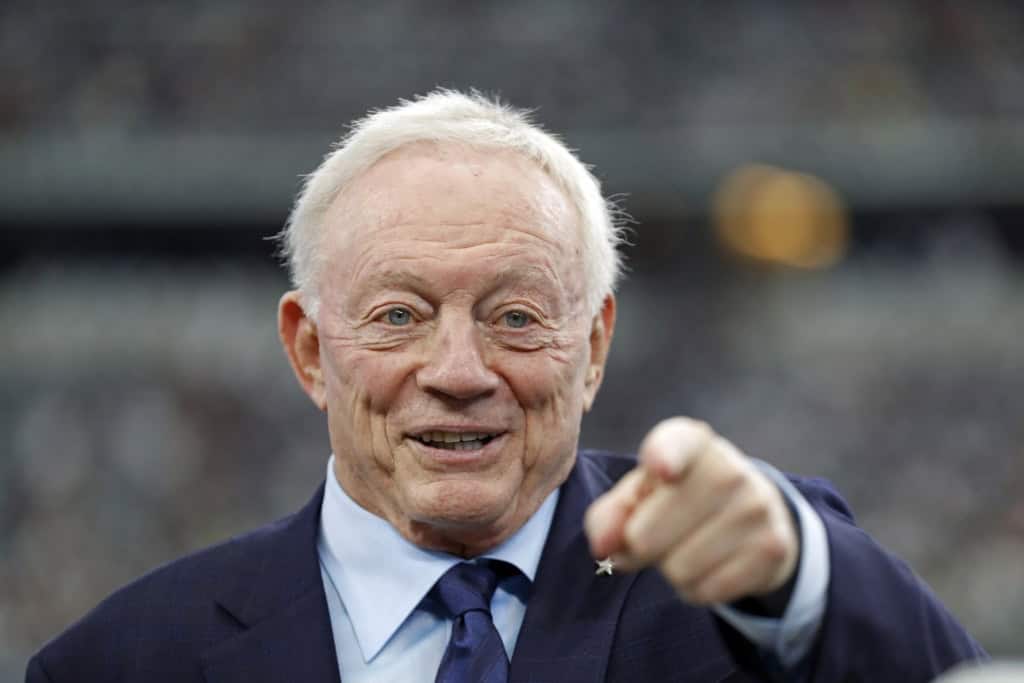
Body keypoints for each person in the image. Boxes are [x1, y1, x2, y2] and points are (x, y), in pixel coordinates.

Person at [26, 89, 985, 683]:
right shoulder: (120, 660)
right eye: (399, 315)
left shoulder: (735, 589)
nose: (457, 372)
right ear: (310, 350)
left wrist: (797, 574)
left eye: (515, 317)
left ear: (595, 344)